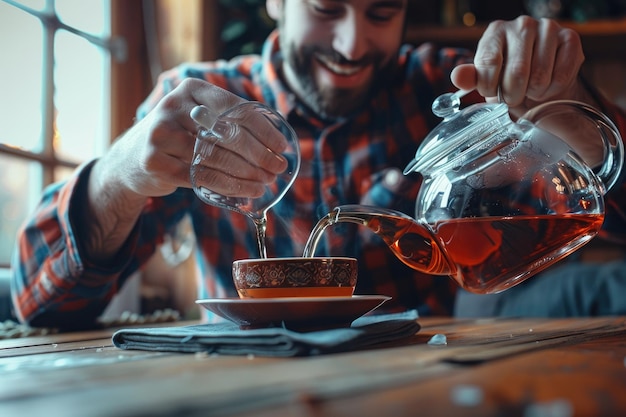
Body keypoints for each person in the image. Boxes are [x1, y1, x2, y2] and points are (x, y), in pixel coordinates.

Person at [11, 0, 626, 330]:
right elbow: (44, 305)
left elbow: (597, 215)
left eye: (381, 13)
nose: (353, 44)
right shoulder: (199, 105)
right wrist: (120, 174)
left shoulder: (453, 89)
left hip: (429, 378)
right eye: (328, 8)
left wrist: (572, 114)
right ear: (276, 3)